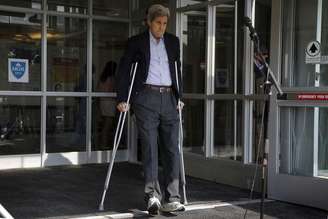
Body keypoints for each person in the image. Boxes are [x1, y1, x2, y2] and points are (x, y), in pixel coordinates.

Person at [116, 4, 184, 215]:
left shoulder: (173, 42)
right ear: (149, 22)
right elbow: (125, 70)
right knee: (150, 147)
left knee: (172, 147)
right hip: (146, 97)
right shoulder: (136, 42)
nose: (161, 28)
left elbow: (177, 69)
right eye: (158, 23)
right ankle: (153, 196)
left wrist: (180, 96)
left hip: (169, 98)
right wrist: (122, 98)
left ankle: (173, 197)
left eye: (164, 24)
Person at [97, 61, 117, 149]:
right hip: (110, 101)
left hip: (103, 101)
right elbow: (111, 90)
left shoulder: (102, 78)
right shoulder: (111, 78)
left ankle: (103, 143)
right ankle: (104, 144)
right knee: (108, 125)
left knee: (105, 124)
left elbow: (98, 89)